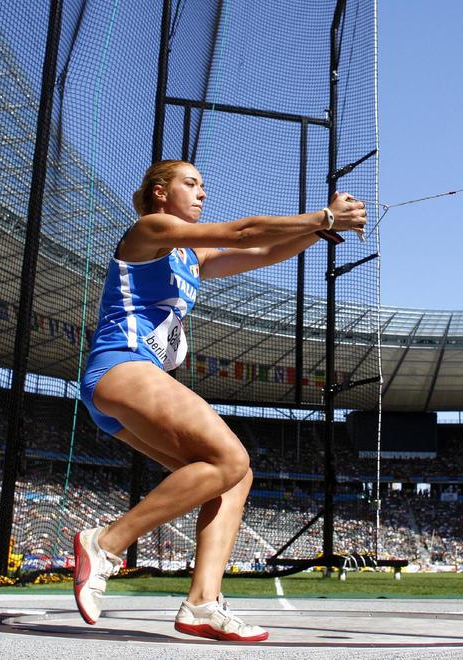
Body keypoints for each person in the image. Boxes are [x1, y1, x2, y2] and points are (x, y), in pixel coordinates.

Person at [73, 159, 366, 641]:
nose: (202, 192)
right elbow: (242, 230)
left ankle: (202, 603)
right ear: (160, 192)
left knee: (234, 476)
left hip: (129, 389)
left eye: (204, 185)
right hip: (121, 369)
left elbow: (262, 249)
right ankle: (105, 542)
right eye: (191, 183)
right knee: (232, 455)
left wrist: (320, 233)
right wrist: (325, 217)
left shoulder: (192, 257)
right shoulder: (151, 228)